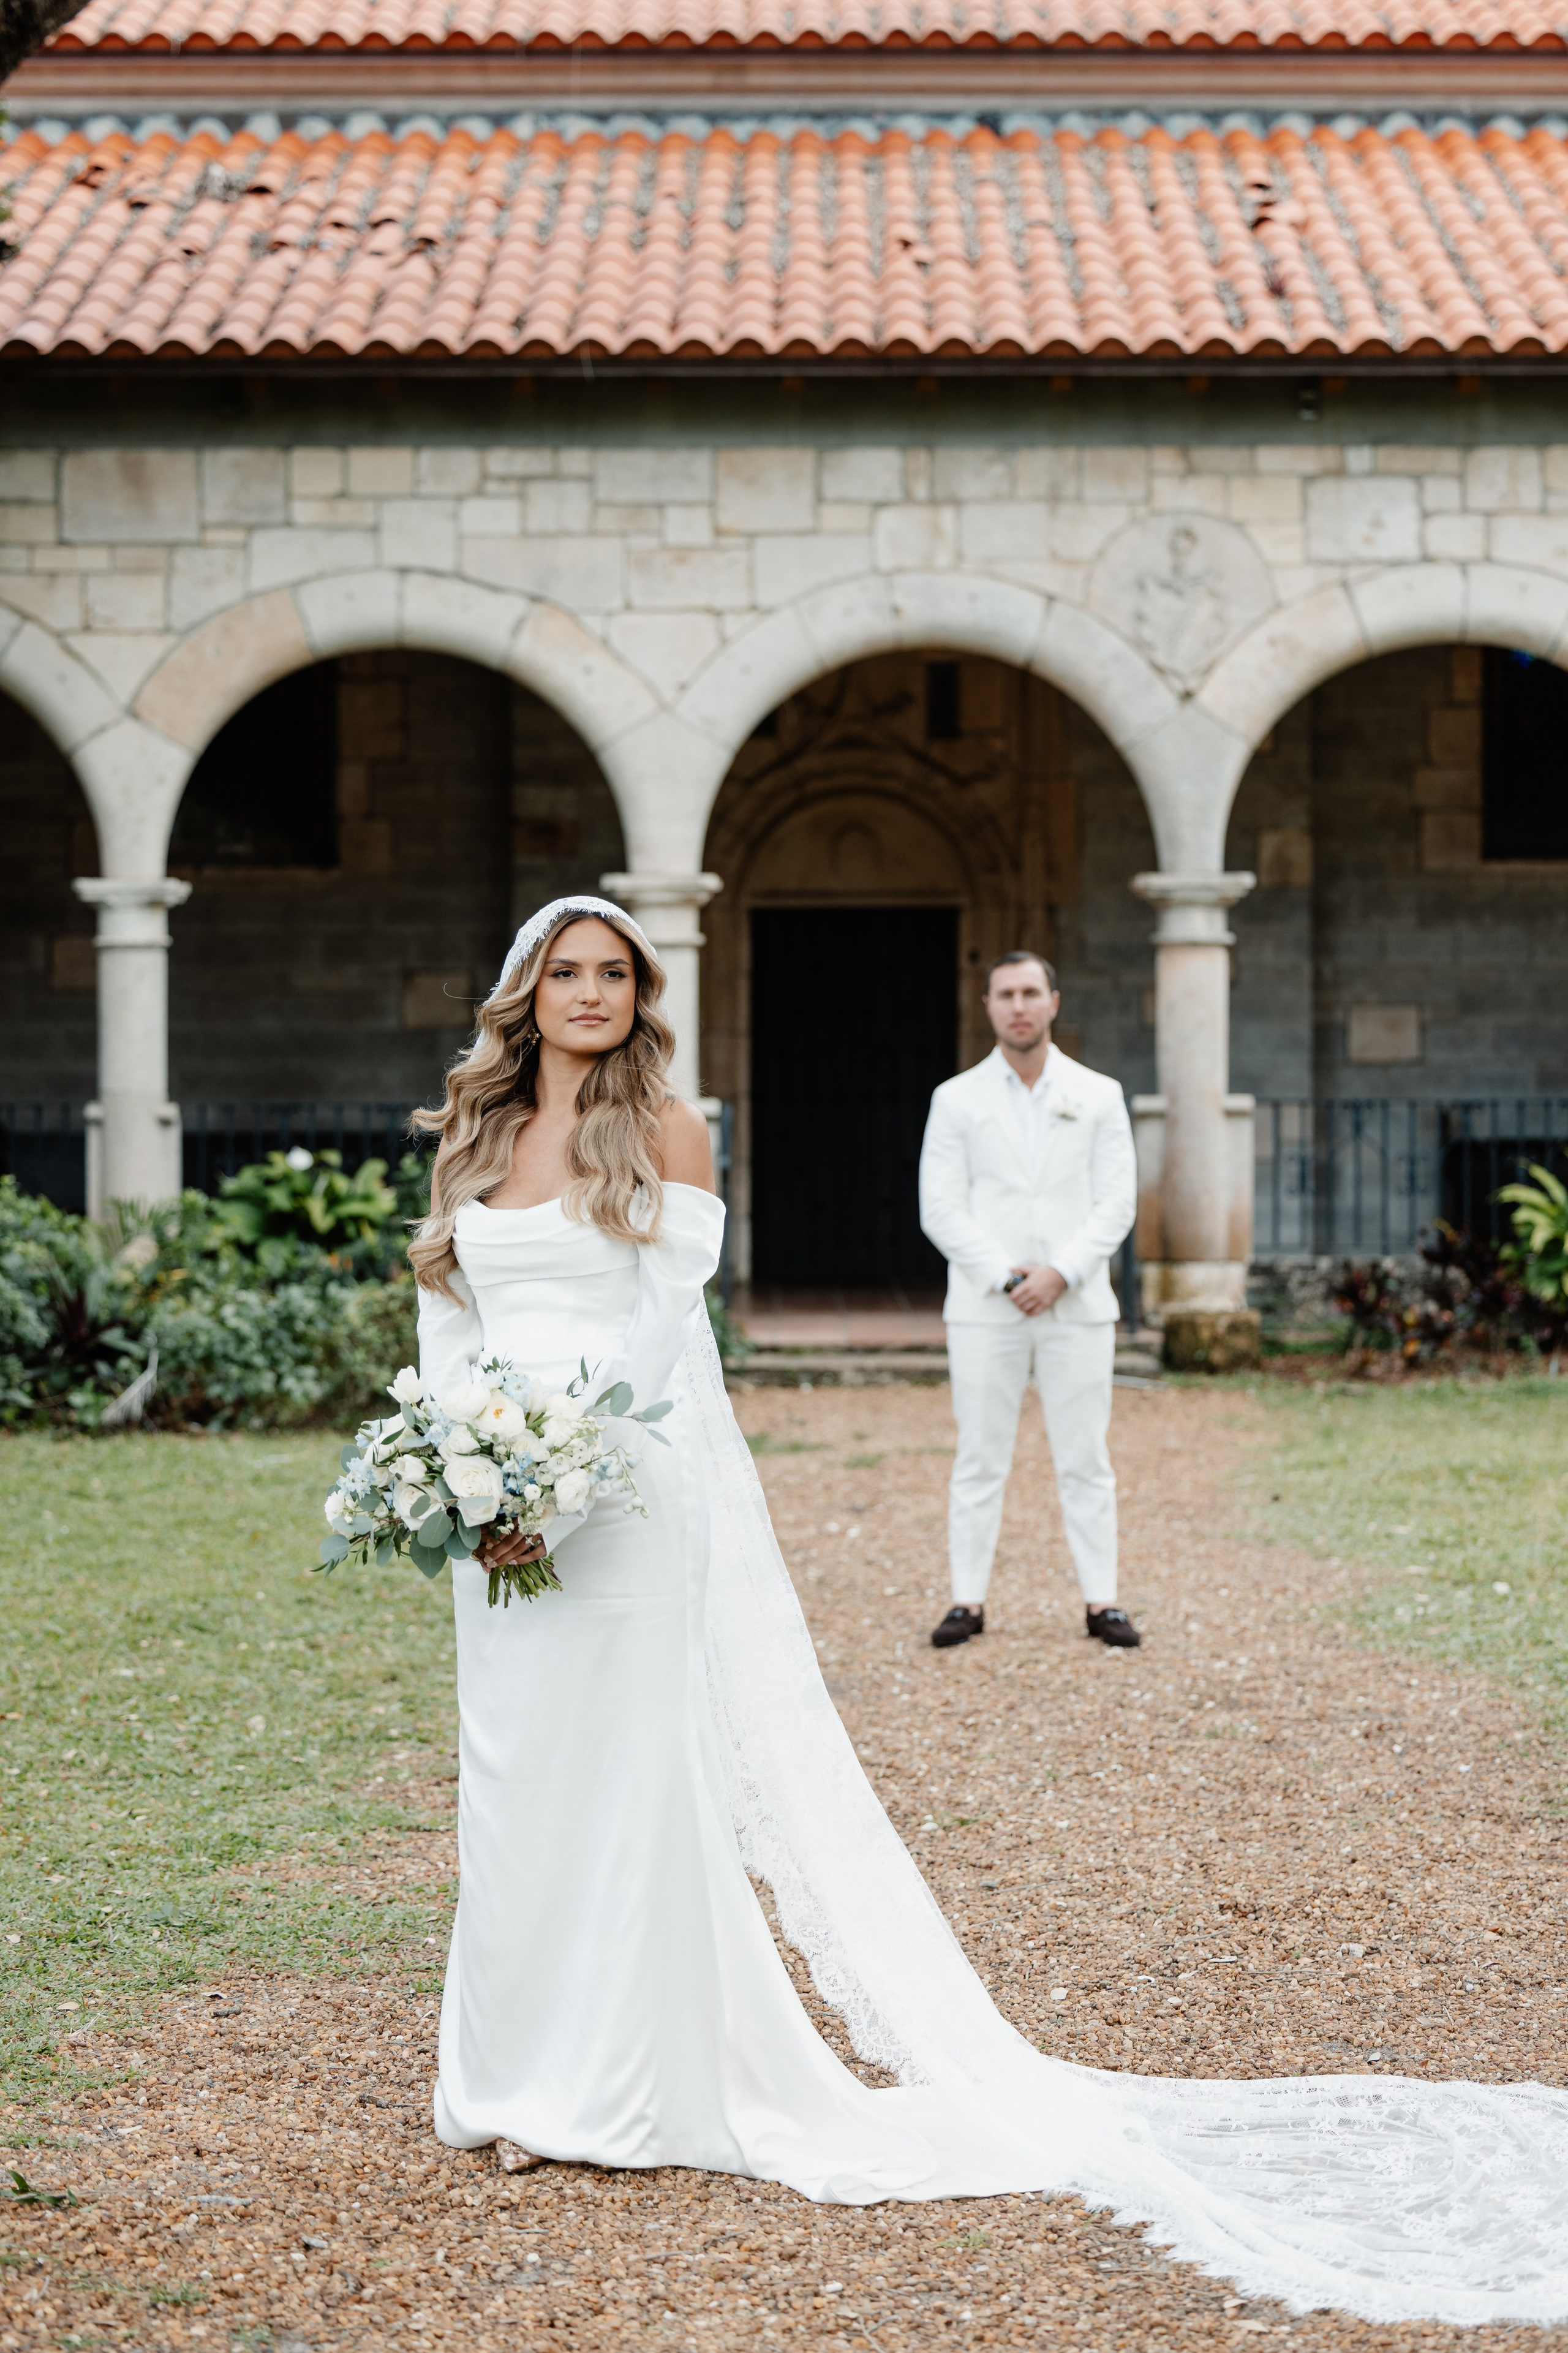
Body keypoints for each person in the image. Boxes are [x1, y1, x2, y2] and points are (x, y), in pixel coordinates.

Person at [408, 893, 1568, 2324]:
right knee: (518, 1778)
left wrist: (560, 1462)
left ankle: (606, 2082)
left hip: (619, 1491)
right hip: (498, 1504)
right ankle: (511, 2068)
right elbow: (447, 1309)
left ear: (638, 995)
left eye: (612, 974)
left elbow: (661, 1330)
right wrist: (465, 1459)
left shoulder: (665, 1130)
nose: (587, 992)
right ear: (522, 992)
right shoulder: (468, 1136)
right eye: (563, 972)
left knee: (630, 1780)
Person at [918, 951, 1139, 1653]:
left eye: (1030, 992)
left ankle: (1102, 1601)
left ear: (1053, 1002)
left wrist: (1061, 1273)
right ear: (987, 1006)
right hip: (987, 1306)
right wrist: (1007, 1276)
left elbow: (1117, 1203)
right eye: (1005, 994)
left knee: (1085, 1457)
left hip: (1076, 1304)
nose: (1019, 1005)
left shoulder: (1099, 1094)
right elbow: (940, 1208)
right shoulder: (955, 1099)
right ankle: (967, 1600)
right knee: (980, 1456)